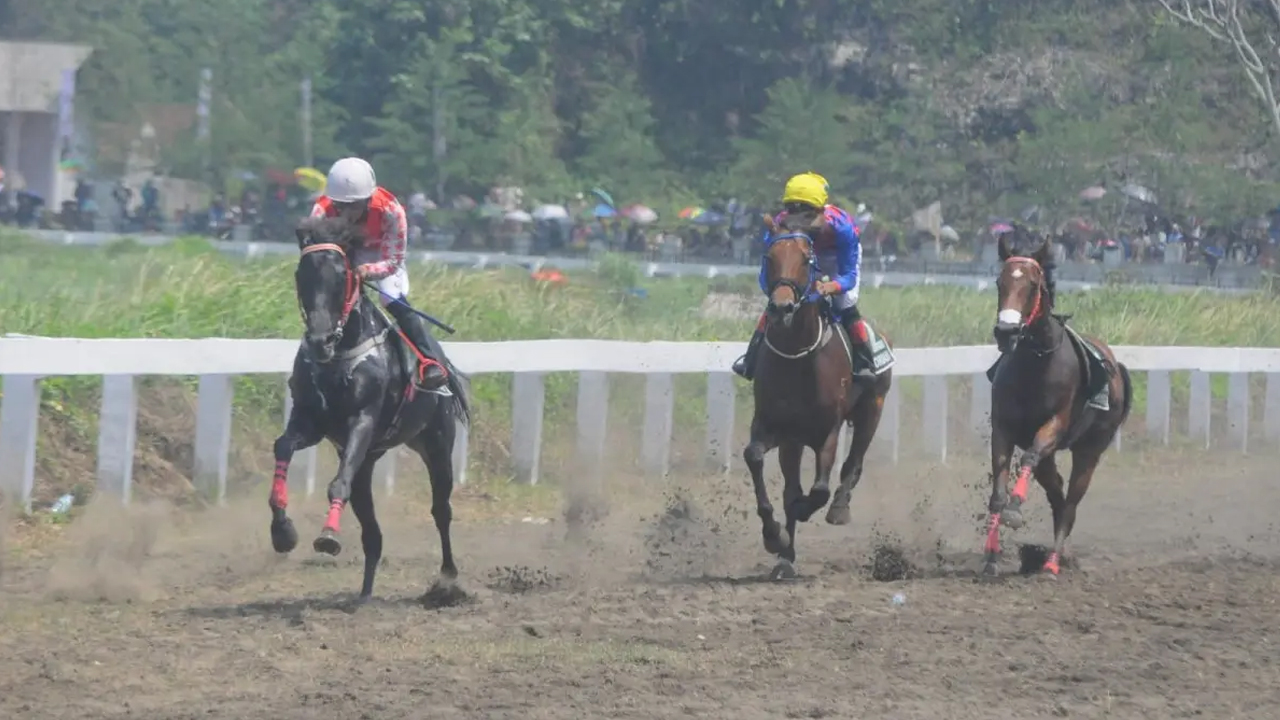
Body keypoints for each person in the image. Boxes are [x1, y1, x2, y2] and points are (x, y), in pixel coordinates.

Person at [732, 171, 893, 382]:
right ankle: (751, 359)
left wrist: (831, 287)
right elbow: (765, 275)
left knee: (844, 303)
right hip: (802, 255)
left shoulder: (842, 227)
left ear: (820, 210)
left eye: (805, 212)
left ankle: (864, 362)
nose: (796, 218)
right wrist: (777, 292)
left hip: (836, 258)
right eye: (792, 210)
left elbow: (849, 276)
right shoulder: (779, 226)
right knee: (778, 302)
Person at [310, 157, 447, 390]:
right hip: (345, 253)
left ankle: (429, 361)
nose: (346, 212)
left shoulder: (391, 210)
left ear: (368, 199)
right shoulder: (320, 211)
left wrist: (367, 271)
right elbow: (312, 248)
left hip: (381, 254)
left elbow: (393, 261)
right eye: (340, 205)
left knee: (389, 297)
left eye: (353, 206)